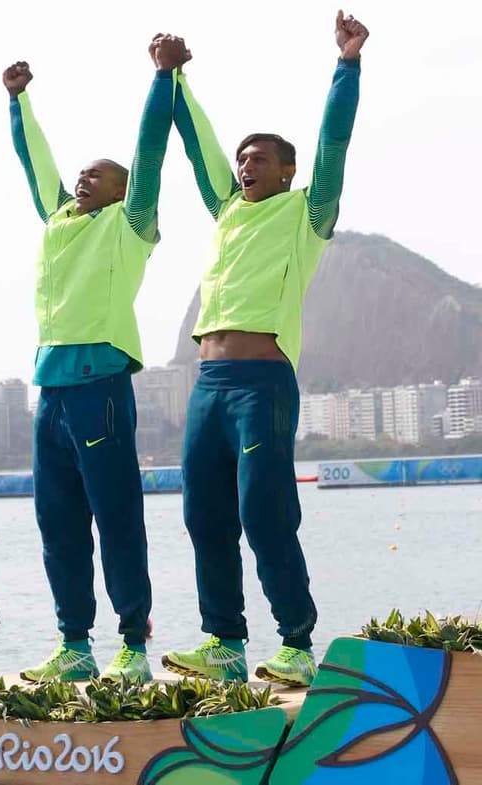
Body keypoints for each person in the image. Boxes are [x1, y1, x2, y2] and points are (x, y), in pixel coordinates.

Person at [154, 12, 369, 686]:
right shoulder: (226, 211)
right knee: (203, 512)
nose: (245, 166)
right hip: (207, 384)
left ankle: (298, 644)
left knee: (263, 509)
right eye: (242, 159)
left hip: (262, 383)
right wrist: (174, 77)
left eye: (259, 159)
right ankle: (224, 642)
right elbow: (199, 146)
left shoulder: (306, 213)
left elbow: (334, 142)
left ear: (286, 171)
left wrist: (347, 67)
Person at [2, 37, 184, 683]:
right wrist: (19, 101)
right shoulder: (59, 221)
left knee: (116, 517)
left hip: (100, 385)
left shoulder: (128, 224)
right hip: (49, 390)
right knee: (57, 524)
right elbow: (36, 165)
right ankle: (73, 642)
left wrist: (162, 81)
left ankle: (133, 645)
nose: (84, 178)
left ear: (122, 193)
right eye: (83, 172)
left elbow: (150, 154)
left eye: (98, 174)